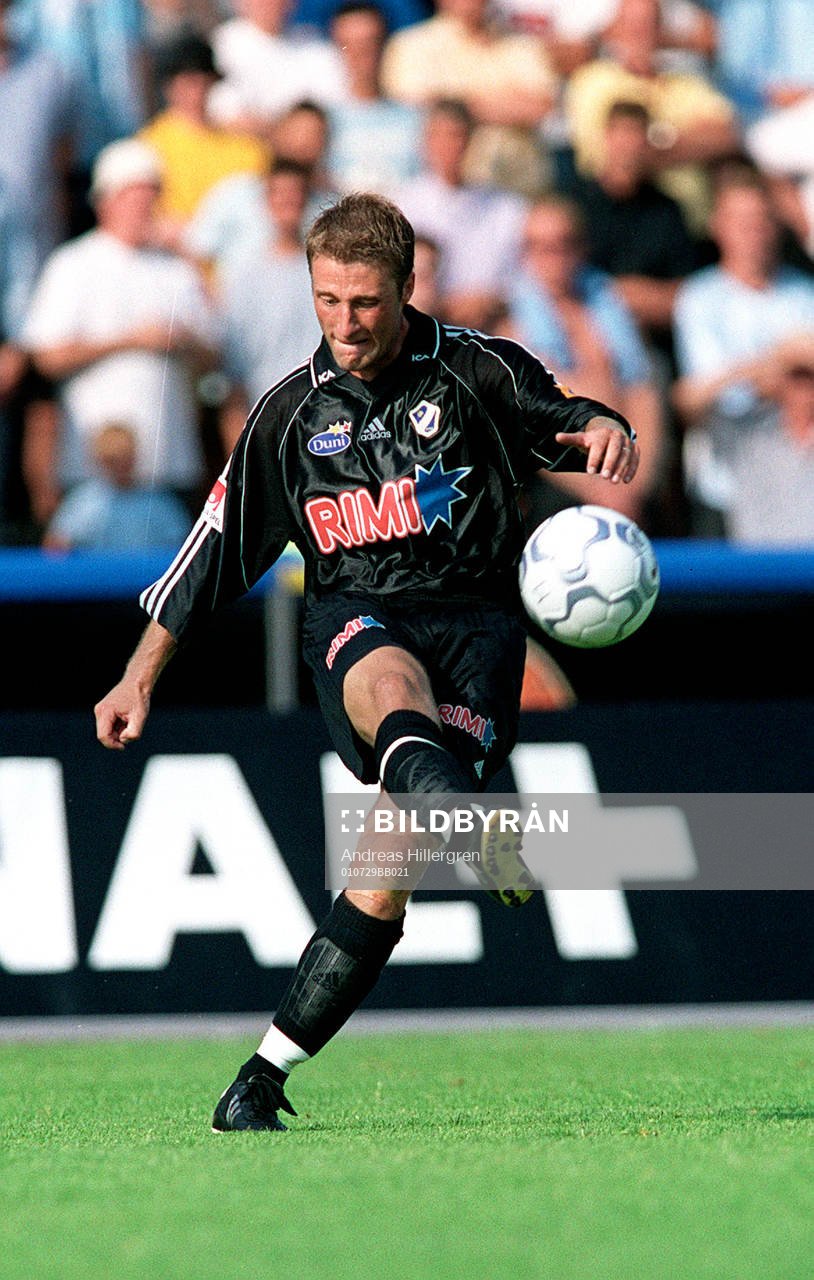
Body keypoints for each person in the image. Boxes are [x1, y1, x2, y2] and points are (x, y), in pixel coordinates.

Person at [94, 192, 639, 1133]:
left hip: (476, 632)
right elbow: (214, 545)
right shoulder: (291, 418)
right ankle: (473, 825)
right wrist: (139, 673)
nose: (344, 326)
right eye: (327, 301)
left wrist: (604, 425)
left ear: (405, 288)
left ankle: (260, 1078)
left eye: (365, 304)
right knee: (389, 691)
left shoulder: (473, 369)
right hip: (356, 616)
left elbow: (560, 415)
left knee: (382, 878)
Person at [21, 137, 221, 526]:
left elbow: (215, 351)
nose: (145, 205)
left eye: (152, 195)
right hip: (91, 472)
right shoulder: (73, 264)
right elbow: (45, 356)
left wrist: (181, 338)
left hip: (170, 468)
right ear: (106, 201)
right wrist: (129, 340)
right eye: (134, 195)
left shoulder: (176, 269)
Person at [673, 166, 814, 532]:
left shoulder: (804, 293)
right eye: (741, 222)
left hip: (800, 483)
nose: (754, 233)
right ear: (718, 226)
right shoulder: (700, 300)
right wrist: (782, 362)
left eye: (761, 221)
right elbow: (704, 397)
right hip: (726, 486)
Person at [506, 195, 663, 524]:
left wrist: (632, 484)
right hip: (556, 492)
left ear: (582, 246)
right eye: (539, 246)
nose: (553, 257)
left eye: (563, 243)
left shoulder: (608, 308)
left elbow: (642, 392)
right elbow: (536, 429)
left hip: (625, 485)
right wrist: (601, 492)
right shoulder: (512, 329)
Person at [44, 421, 191, 550]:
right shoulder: (82, 502)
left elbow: (181, 546)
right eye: (112, 460)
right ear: (99, 460)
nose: (120, 467)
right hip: (97, 580)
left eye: (125, 458)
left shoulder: (160, 502)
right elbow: (56, 547)